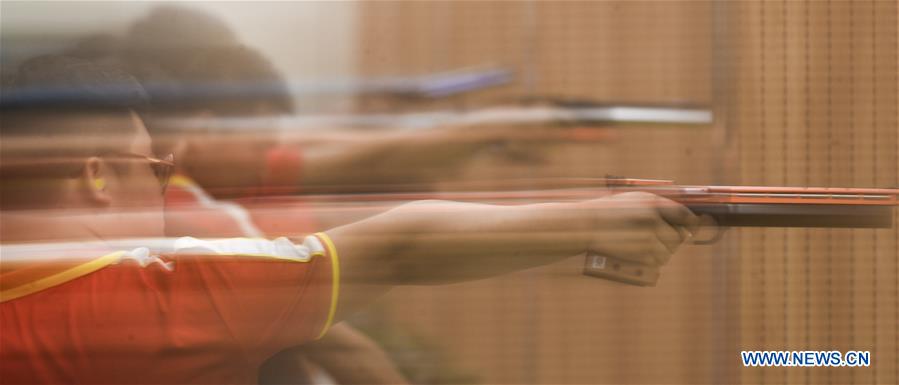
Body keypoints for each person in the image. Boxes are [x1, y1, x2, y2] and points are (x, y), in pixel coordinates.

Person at [0, 55, 696, 383]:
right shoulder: (152, 294)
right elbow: (397, 247)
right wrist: (598, 220)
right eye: (152, 168)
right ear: (94, 172)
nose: (164, 185)